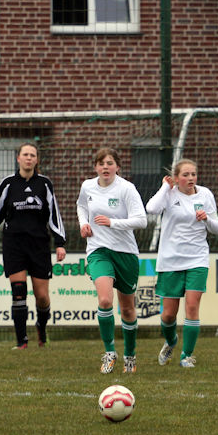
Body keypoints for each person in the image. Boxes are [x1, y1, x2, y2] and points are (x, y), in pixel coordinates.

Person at [0, 143, 68, 349]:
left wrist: (60, 243)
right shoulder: (8, 184)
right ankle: (21, 341)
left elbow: (54, 215)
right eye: (25, 155)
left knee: (42, 297)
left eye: (32, 155)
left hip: (39, 244)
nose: (29, 158)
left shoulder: (45, 184)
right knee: (18, 291)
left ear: (37, 160)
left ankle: (41, 327)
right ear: (18, 158)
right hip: (14, 244)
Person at [76, 147, 146, 375]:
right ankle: (109, 352)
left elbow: (142, 220)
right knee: (105, 300)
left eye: (110, 163)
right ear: (95, 167)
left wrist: (113, 223)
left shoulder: (127, 188)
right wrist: (83, 224)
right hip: (98, 250)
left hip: (125, 253)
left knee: (127, 309)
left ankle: (130, 355)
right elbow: (81, 206)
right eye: (101, 163)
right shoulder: (88, 186)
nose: (105, 167)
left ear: (117, 166)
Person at [145, 159, 218, 368]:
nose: (190, 178)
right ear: (176, 177)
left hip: (197, 258)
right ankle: (171, 341)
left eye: (193, 174)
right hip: (170, 260)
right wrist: (164, 187)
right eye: (185, 175)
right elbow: (151, 209)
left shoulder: (205, 195)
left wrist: (207, 219)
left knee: (192, 305)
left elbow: (217, 228)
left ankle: (186, 355)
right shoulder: (169, 194)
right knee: (168, 314)